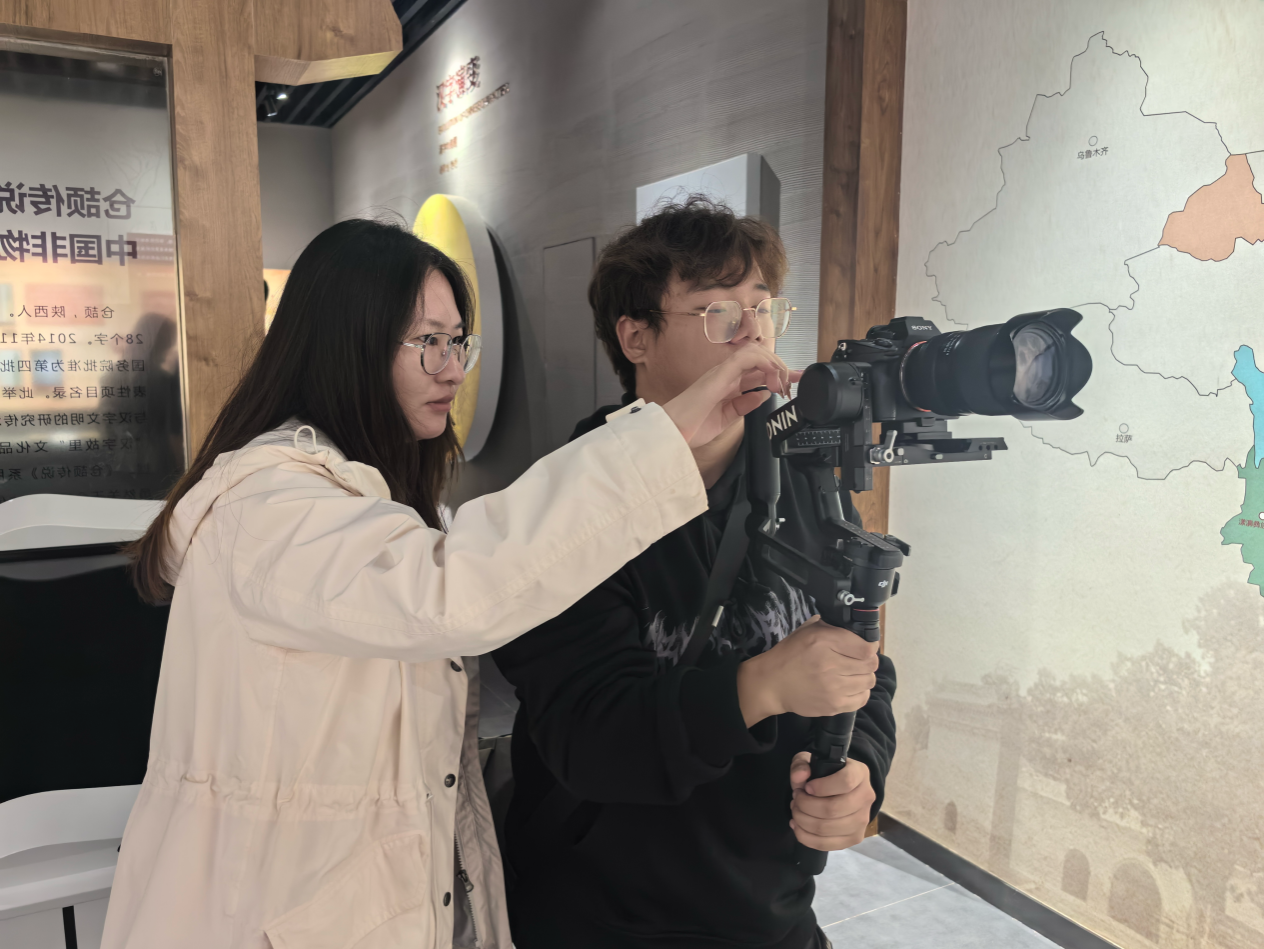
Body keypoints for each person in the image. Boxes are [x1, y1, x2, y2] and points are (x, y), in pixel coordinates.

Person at [100, 217, 792, 949]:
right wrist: (666, 436)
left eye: (458, 341)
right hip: (271, 909)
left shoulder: (381, 502)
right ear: (347, 344)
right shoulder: (269, 507)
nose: (453, 370)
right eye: (428, 341)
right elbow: (453, 593)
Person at [494, 199, 898, 949]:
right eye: (720, 314)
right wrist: (762, 685)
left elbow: (861, 663)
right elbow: (590, 737)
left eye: (763, 309)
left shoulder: (807, 478)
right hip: (601, 918)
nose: (754, 336)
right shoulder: (570, 503)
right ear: (635, 338)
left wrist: (862, 769)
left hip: (770, 910)